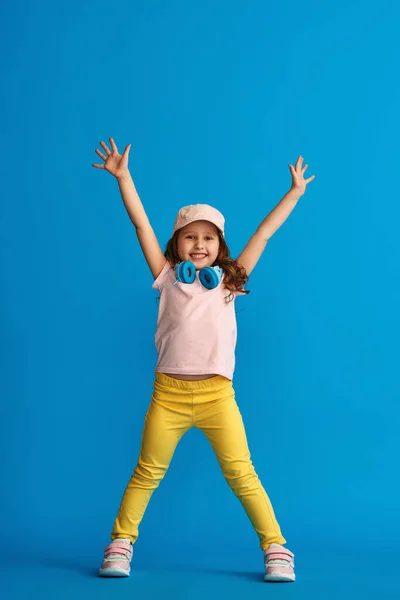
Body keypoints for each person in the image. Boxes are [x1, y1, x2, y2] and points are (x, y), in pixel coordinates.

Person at [92, 138, 315, 582]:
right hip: (168, 396)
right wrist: (124, 178)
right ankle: (120, 545)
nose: (199, 244)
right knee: (147, 472)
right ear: (177, 245)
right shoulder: (167, 276)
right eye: (190, 236)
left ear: (220, 247)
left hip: (217, 397)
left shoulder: (230, 283)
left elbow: (263, 234)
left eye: (208, 237)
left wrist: (293, 194)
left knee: (242, 474)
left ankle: (276, 548)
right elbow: (140, 226)